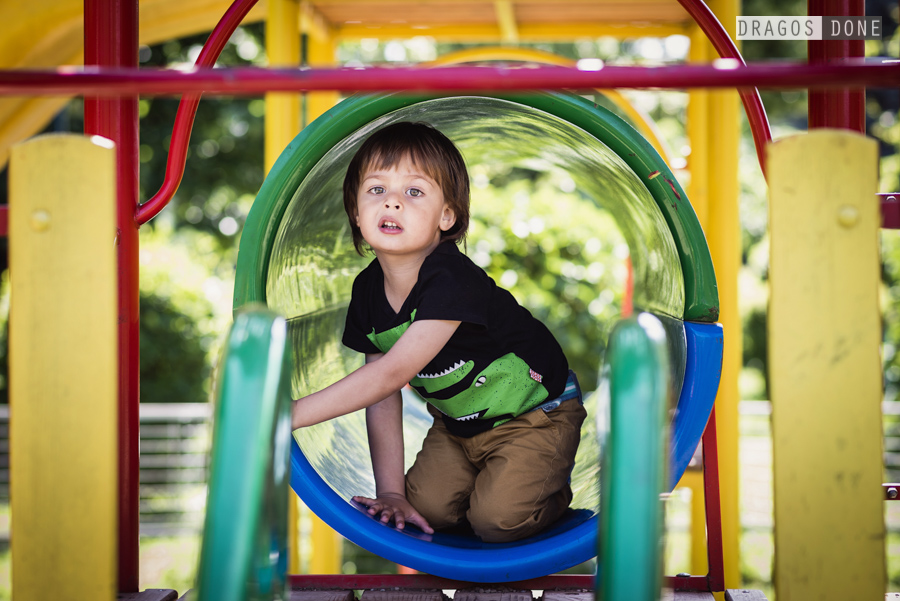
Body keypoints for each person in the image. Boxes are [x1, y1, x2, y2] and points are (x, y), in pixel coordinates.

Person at [290, 121, 586, 543]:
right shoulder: (367, 293)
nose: (392, 203)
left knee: (496, 522)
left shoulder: (451, 278)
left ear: (447, 216)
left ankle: (548, 494)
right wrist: (390, 492)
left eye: (414, 192)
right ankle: (488, 485)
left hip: (537, 416)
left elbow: (392, 373)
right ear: (356, 212)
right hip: (457, 427)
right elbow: (381, 396)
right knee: (424, 511)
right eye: (376, 190)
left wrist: (292, 414)